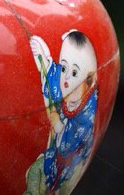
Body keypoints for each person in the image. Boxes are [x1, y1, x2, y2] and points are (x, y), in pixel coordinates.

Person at [25, 29, 98, 195]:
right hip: (56, 159)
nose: (65, 78)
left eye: (74, 73)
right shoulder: (70, 84)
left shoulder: (87, 113)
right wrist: (43, 59)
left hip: (71, 163)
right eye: (64, 68)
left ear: (89, 79)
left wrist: (58, 125)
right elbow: (54, 77)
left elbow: (72, 142)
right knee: (36, 171)